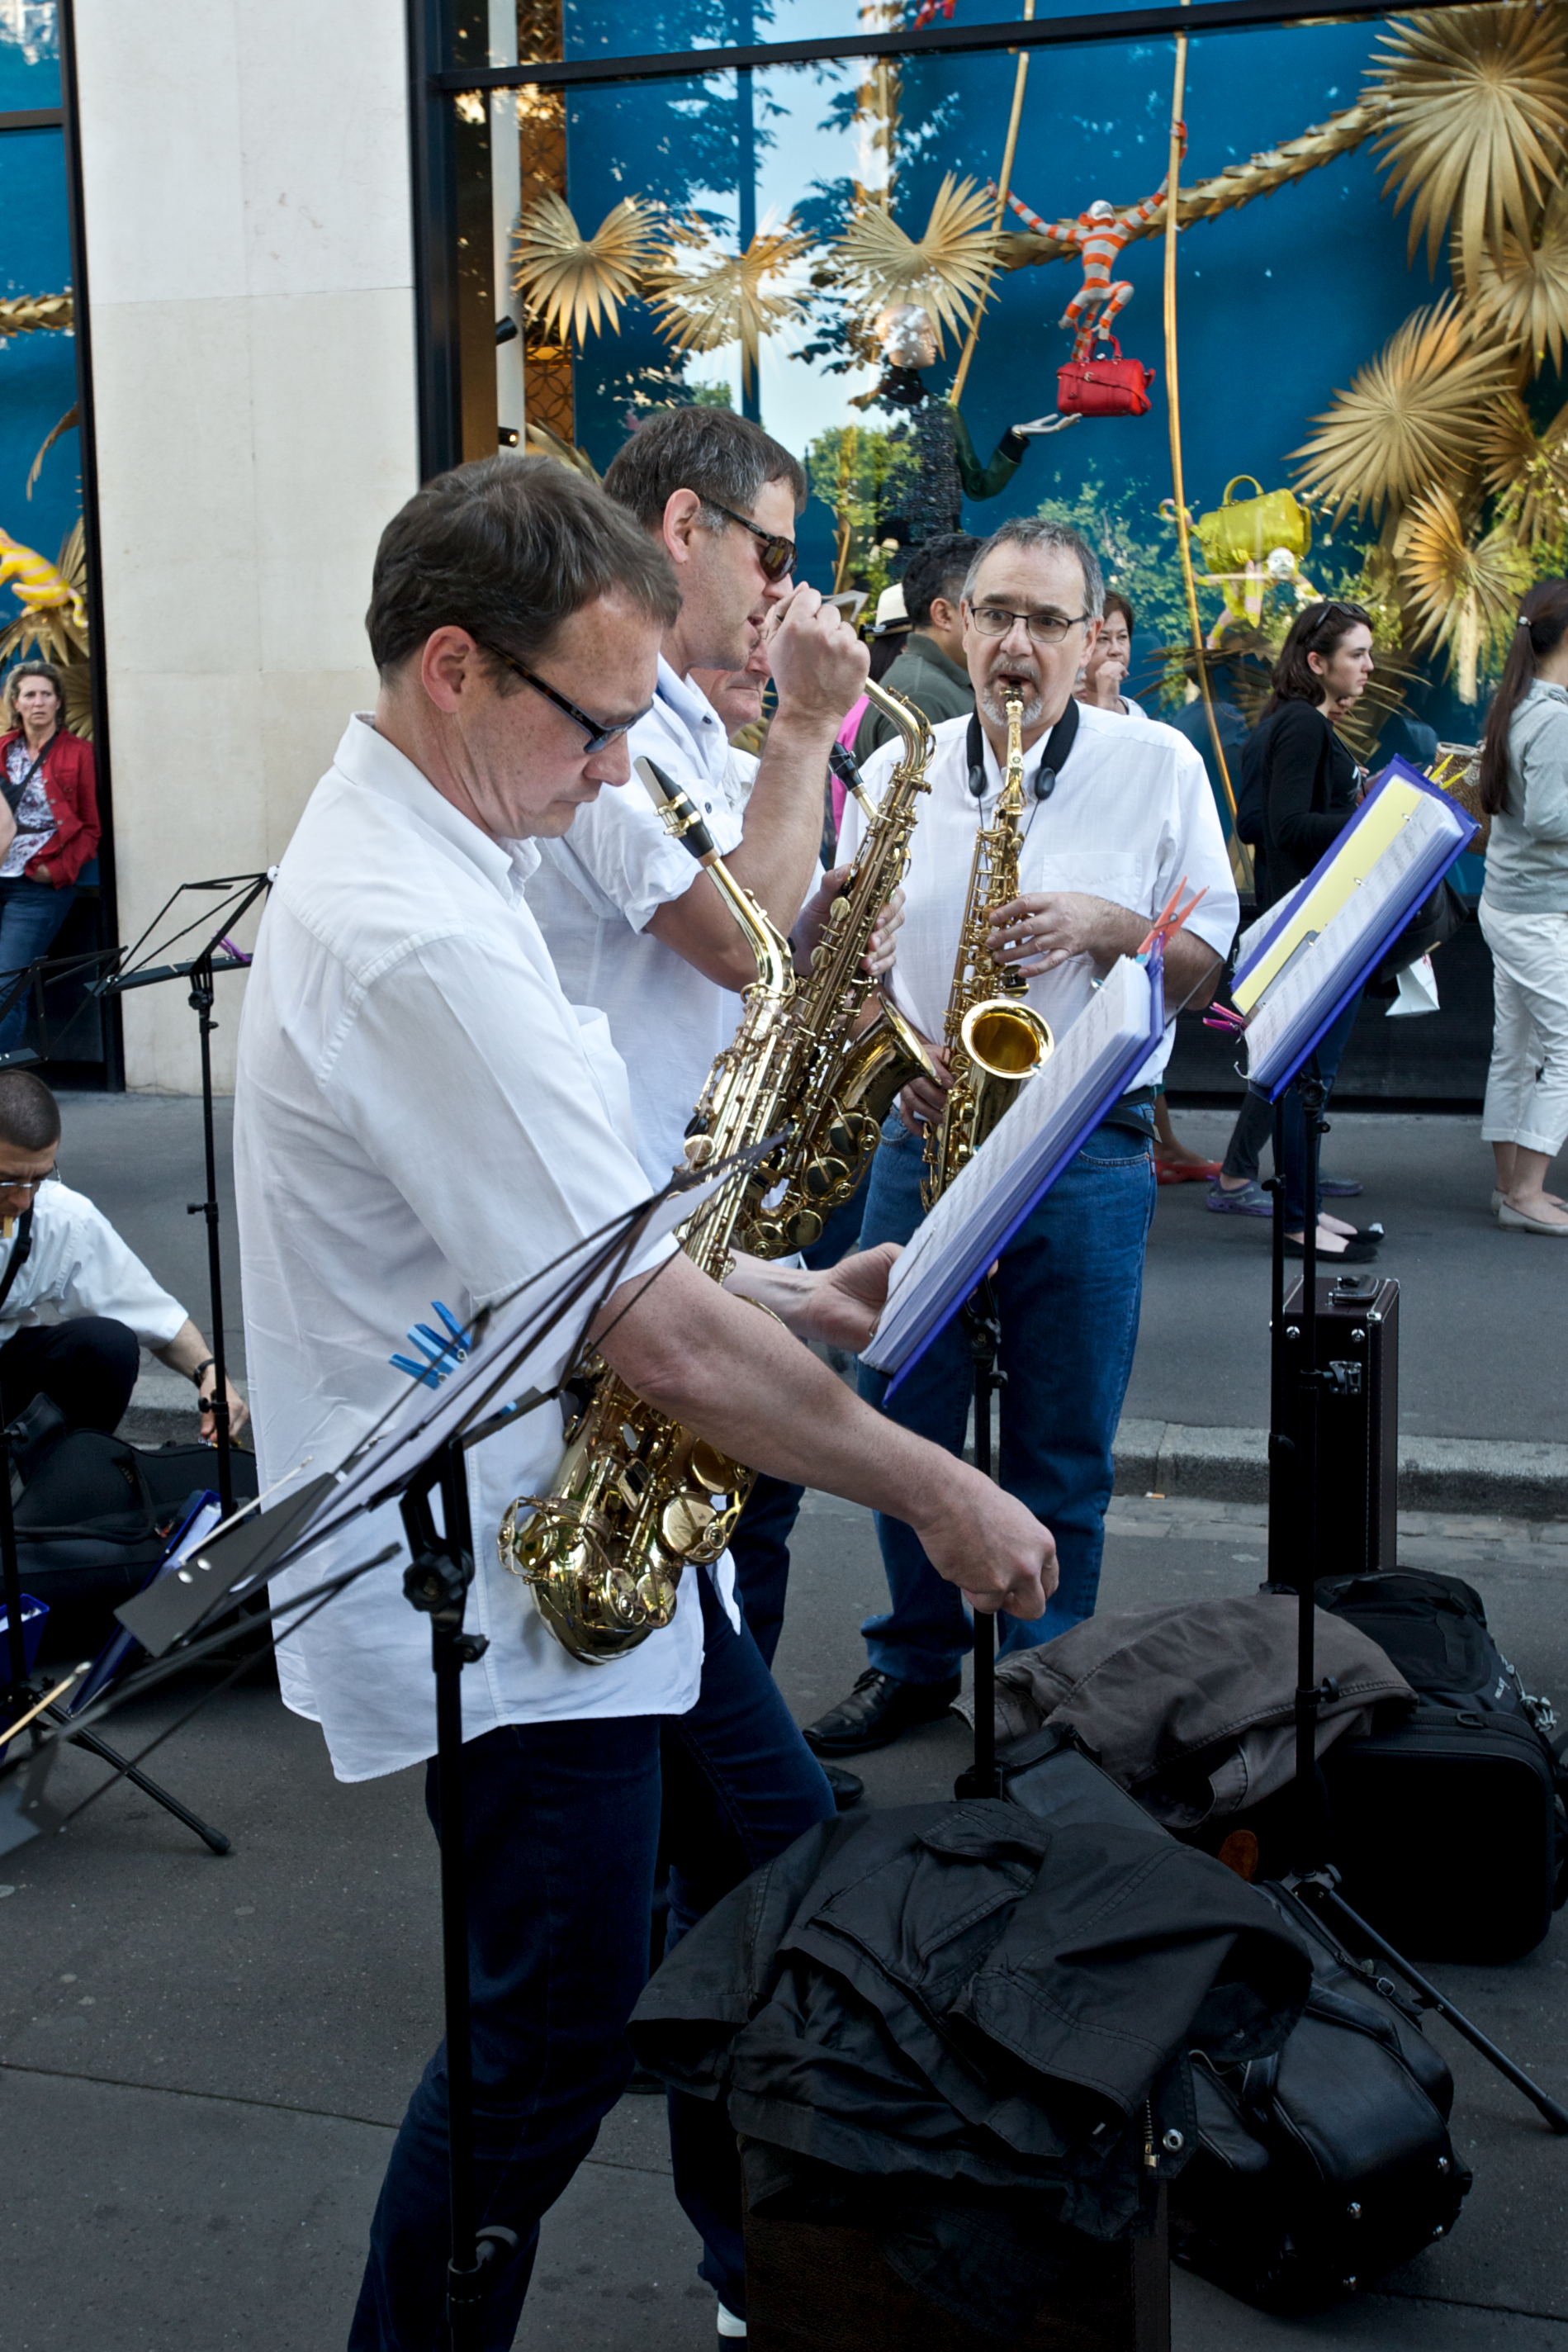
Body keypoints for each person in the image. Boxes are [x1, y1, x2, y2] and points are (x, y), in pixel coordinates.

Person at [232, 454, 1053, 2351]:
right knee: (540, 2052)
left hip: (585, 1532)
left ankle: (770, 2272)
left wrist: (792, 1290)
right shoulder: (421, 925)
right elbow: (645, 1333)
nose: (616, 768)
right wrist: (935, 1490)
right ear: (456, 665)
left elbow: (558, 1259)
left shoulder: (455, 851)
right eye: (597, 723)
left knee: (766, 1881)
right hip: (513, 1591)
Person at [802, 517, 1238, 1761]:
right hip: (927, 1131)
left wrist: (1113, 922)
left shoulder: (1153, 765)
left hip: (1086, 1140)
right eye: (994, 613)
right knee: (893, 1407)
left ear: (1089, 637)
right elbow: (852, 957)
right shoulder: (900, 770)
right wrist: (893, 1045)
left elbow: (1207, 961)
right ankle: (914, 1661)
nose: (1013, 643)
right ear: (958, 621)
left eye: (1046, 622)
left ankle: (1053, 1693)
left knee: (1061, 1435)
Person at [1207, 601, 1378, 1260]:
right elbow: (1283, 828)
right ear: (1317, 662)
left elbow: (1254, 824)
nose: (1367, 666)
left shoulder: (1279, 723)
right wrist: (1376, 814)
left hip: (1291, 921)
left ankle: (1301, 1209)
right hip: (1316, 927)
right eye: (1356, 654)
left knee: (1295, 1075)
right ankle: (1299, 1217)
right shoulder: (1304, 725)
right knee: (1307, 1077)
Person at [0, 1068, 244, 1439]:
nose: (21, 1199)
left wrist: (209, 1372)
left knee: (108, 1346)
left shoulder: (57, 1215)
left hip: (7, 1371)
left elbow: (149, 1313)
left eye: (37, 1179)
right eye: (7, 1180)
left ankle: (57, 1483)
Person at [1476, 577, 1568, 1234]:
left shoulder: (1520, 701)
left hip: (1507, 905)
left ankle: (1509, 1186)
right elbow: (1548, 817)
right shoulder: (1556, 716)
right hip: (1535, 912)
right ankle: (1527, 1191)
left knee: (1514, 1046)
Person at [0, 661, 101, 1055]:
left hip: (36, 886)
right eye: (29, 694)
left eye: (46, 694)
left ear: (59, 702)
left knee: (8, 982)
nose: (38, 702)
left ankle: (6, 1086)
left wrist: (56, 870)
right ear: (16, 702)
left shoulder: (80, 755)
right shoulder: (2, 750)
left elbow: (92, 828)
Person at [852, 532, 982, 761]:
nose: (1003, 626)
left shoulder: (936, 684)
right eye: (987, 611)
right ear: (943, 614)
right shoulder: (923, 696)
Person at [1075, 589, 1144, 717]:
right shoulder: (1060, 714)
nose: (1116, 650)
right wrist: (1106, 705)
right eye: (1103, 639)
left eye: (1122, 637)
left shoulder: (1135, 711)